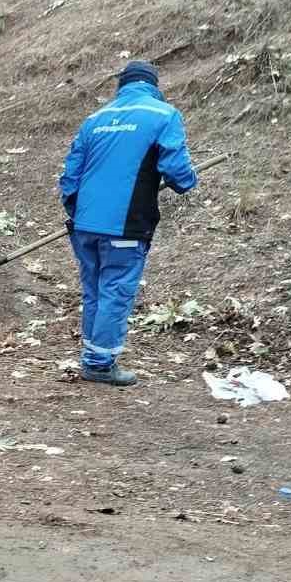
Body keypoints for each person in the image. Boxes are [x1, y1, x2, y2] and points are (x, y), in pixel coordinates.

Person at [57, 60, 198, 386]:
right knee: (115, 291)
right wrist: (189, 180)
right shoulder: (163, 115)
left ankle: (93, 355)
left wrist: (79, 212)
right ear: (154, 86)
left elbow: (70, 177)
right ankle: (99, 364)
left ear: (121, 85)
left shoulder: (95, 119)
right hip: (125, 225)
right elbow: (178, 174)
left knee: (94, 292)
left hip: (84, 225)